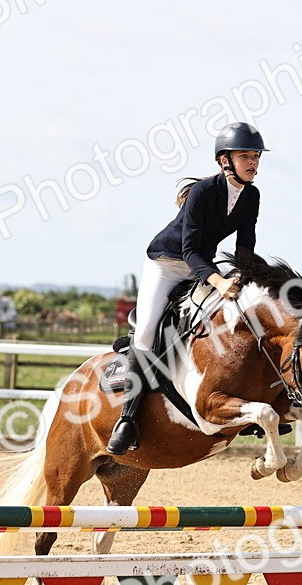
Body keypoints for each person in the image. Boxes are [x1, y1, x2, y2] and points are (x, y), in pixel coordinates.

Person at [106, 121, 267, 455]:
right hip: (167, 264)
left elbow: (245, 247)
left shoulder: (251, 196)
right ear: (225, 160)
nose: (252, 162)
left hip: (201, 268)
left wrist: (250, 277)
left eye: (255, 156)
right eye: (245, 156)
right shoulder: (202, 193)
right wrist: (218, 280)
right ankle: (127, 419)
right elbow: (190, 249)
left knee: (228, 320)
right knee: (146, 333)